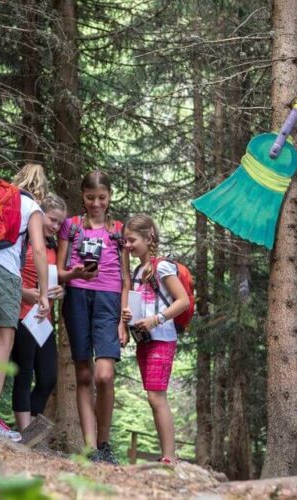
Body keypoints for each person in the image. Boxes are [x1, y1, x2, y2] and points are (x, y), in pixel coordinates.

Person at [0, 163, 50, 441]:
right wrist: (43, 292)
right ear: (41, 189)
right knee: (5, 342)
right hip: (3, 271)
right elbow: (39, 250)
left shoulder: (3, 199)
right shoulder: (32, 207)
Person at [56, 170, 130, 464]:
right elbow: (59, 272)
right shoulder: (71, 226)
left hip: (109, 301)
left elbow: (126, 278)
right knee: (84, 374)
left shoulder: (119, 230)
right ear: (82, 197)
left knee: (104, 374)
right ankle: (90, 449)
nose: (96, 203)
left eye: (101, 197)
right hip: (76, 297)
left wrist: (123, 320)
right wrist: (74, 273)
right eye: (90, 198)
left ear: (110, 196)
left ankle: (103, 442)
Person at [120, 214, 190, 464]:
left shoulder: (162, 267)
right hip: (145, 339)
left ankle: (169, 457)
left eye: (132, 240)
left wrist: (156, 319)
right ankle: (167, 455)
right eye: (125, 241)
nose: (128, 245)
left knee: (156, 396)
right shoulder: (138, 270)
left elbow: (183, 301)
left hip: (162, 337)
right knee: (153, 398)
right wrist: (130, 317)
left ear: (148, 237)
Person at [10, 193, 70, 431]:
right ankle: (24, 429)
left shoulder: (53, 246)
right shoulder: (23, 240)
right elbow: (7, 276)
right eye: (52, 220)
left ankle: (29, 427)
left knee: (47, 377)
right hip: (21, 315)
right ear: (39, 214)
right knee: (24, 372)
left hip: (43, 320)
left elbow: (53, 278)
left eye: (59, 223)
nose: (55, 227)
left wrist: (60, 290)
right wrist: (24, 293)